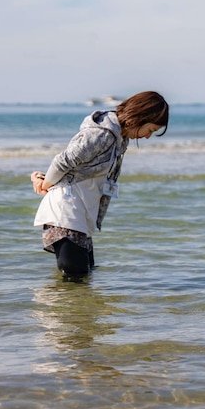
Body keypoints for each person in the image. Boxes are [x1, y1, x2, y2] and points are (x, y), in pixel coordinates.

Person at [31, 91, 169, 277]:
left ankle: (72, 306)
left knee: (84, 276)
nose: (147, 137)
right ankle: (54, 306)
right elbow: (63, 161)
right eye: (150, 130)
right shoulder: (102, 135)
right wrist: (44, 185)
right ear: (139, 117)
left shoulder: (120, 138)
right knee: (75, 274)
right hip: (66, 209)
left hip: (81, 212)